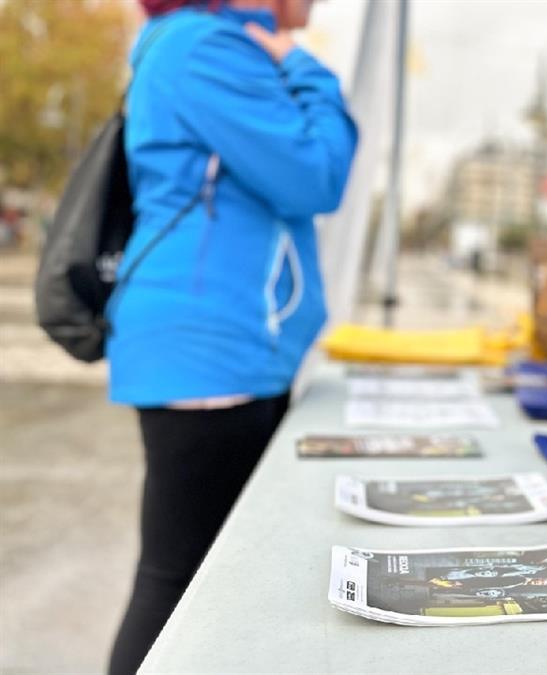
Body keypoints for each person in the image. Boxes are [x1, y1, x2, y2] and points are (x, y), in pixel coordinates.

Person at [107, 0, 357, 672]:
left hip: (224, 349)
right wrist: (306, 69)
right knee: (178, 578)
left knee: (203, 575)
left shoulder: (196, 43)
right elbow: (315, 174)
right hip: (208, 350)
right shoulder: (206, 48)